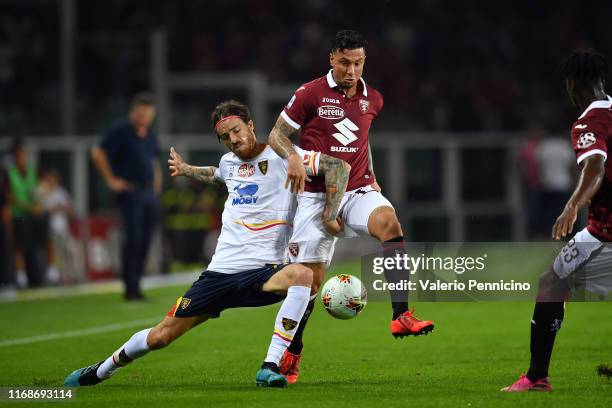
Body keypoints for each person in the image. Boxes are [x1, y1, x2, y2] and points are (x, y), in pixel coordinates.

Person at [64, 100, 350, 388]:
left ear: (250, 126)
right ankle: (101, 370)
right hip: (218, 275)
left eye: (237, 131)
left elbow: (337, 167)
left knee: (303, 275)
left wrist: (335, 209)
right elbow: (216, 174)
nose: (233, 140)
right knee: (161, 336)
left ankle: (271, 364)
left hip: (263, 272)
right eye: (225, 137)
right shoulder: (229, 163)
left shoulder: (284, 156)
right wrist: (187, 169)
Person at [267, 29, 433, 383]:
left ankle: (401, 314)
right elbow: (276, 135)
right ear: (331, 59)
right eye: (344, 62)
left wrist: (371, 175)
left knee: (389, 222)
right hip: (314, 197)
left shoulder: (373, 99)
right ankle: (292, 353)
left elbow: (361, 140)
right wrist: (293, 159)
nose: (351, 70)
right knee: (308, 284)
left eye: (358, 63)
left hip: (357, 189)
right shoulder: (309, 93)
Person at [502, 49, 612, 392]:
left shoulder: (589, 122)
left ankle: (536, 376)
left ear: (570, 85)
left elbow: (595, 168)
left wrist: (571, 205)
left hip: (605, 232)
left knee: (551, 284)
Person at [91, 92, 162, 300]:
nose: (145, 118)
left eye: (148, 114)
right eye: (141, 113)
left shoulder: (149, 134)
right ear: (134, 112)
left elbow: (153, 160)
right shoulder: (121, 131)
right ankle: (130, 287)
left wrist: (156, 182)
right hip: (130, 192)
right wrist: (111, 179)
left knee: (147, 238)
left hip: (148, 192)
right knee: (134, 238)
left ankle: (137, 283)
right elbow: (98, 152)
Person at [6, 138, 47, 287]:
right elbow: (10, 197)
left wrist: (40, 201)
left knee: (35, 245)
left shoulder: (32, 171)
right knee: (19, 246)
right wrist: (31, 207)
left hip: (32, 215)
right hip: (19, 216)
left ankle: (39, 275)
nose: (23, 157)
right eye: (20, 155)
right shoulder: (9, 173)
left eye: (24, 154)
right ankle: (20, 275)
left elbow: (42, 189)